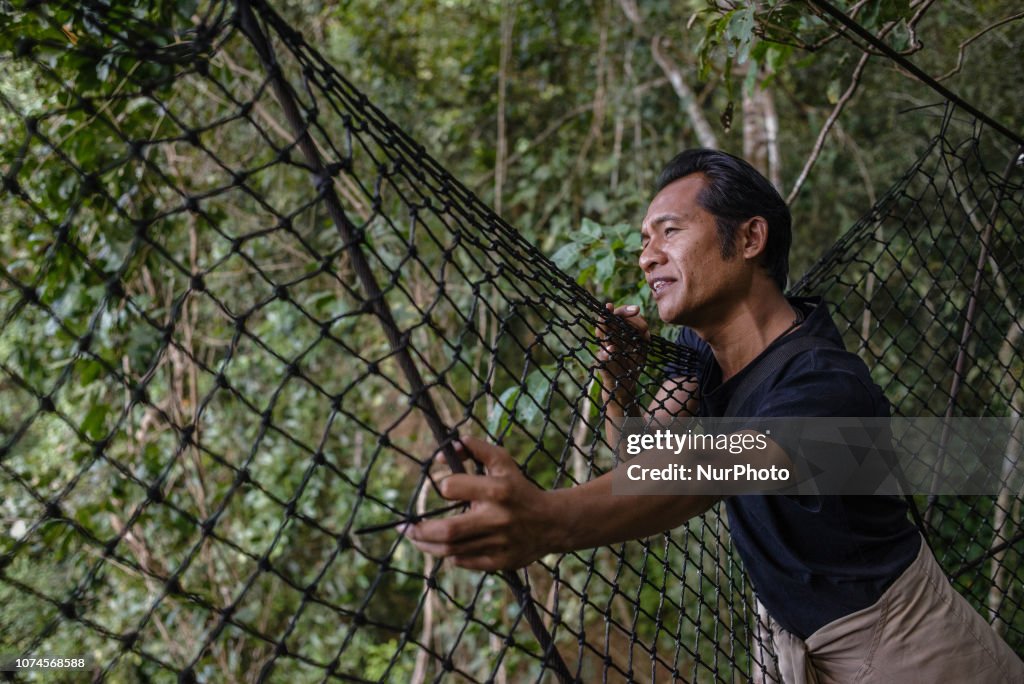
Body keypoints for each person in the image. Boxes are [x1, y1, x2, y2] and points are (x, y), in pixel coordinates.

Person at [403, 149, 1024, 682]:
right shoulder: (704, 353)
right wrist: (618, 385)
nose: (647, 258)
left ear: (750, 239)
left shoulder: (826, 384)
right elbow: (646, 460)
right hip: (799, 644)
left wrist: (547, 519)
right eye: (646, 240)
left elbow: (712, 472)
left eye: (669, 232)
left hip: (910, 646)